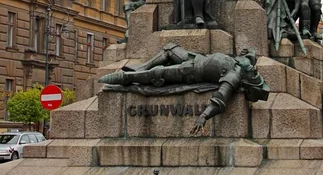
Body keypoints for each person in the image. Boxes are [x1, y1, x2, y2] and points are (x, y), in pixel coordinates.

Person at [99, 43, 270, 135]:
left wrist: (203, 116)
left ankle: (127, 77)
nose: (253, 69)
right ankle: (140, 68)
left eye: (253, 74)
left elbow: (220, 99)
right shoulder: (242, 62)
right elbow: (251, 52)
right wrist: (249, 55)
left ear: (248, 80)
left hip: (190, 72)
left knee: (157, 74)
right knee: (169, 47)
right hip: (194, 58)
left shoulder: (234, 76)